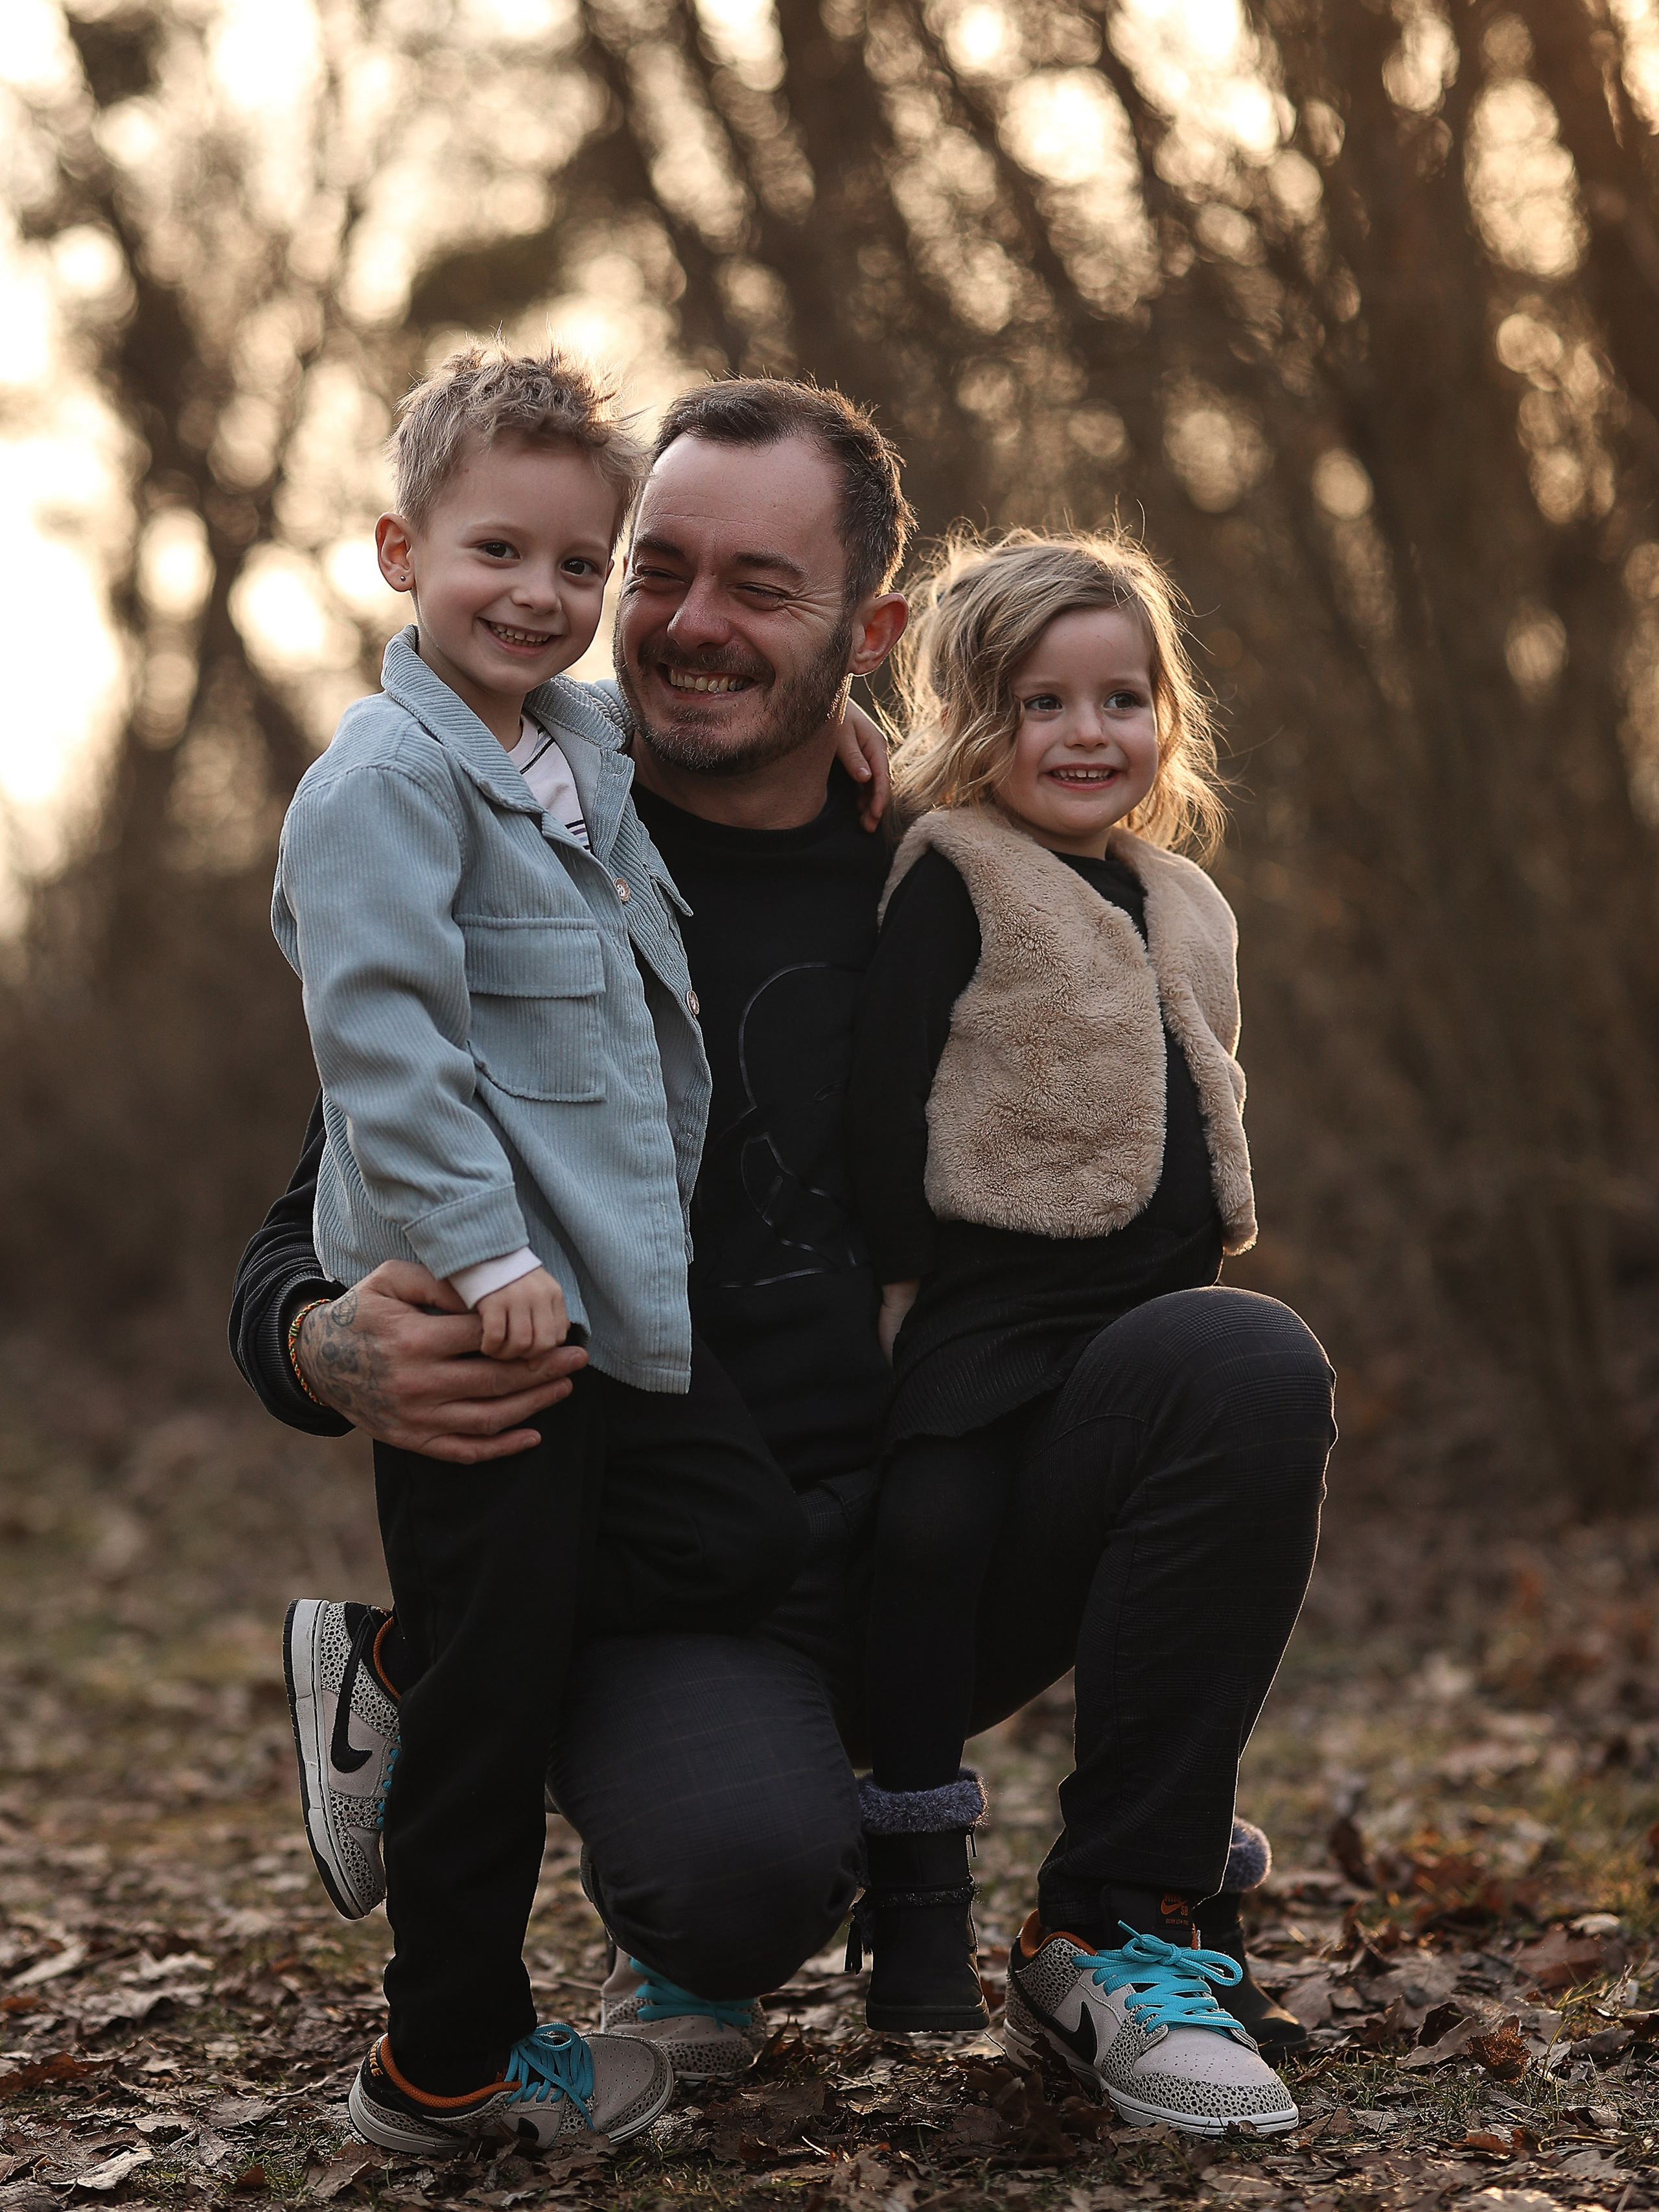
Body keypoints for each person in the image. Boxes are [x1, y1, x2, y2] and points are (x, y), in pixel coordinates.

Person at [231, 376, 1332, 2137]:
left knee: (1241, 1360)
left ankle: (1120, 1920)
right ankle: (437, 1689)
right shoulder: (531, 844)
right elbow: (328, 1195)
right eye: (656, 569)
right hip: (676, 1578)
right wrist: (315, 1339)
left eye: (761, 585)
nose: (686, 624)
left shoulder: (955, 868)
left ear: (872, 631)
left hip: (937, 1529)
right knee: (740, 1882)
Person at [271, 342, 815, 2156]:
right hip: (490, 1311)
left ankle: (402, 1666)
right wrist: (479, 1249)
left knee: (730, 1527)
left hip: (612, 1297)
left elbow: (744, 741)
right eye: (497, 552)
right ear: (396, 551)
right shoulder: (380, 786)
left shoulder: (576, 744)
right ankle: (443, 2065)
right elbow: (389, 1054)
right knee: (504, 1726)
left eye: (582, 566)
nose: (545, 596)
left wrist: (855, 727)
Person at [844, 529, 1306, 2134]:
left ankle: (1147, 1904)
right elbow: (882, 1099)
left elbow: (1198, 1079)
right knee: (933, 1526)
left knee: (1236, 1459)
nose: (1087, 733)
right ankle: (908, 1891)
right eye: (1042, 702)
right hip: (987, 1323)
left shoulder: (1183, 897)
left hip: (1148, 1330)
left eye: (1121, 697)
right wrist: (890, 1297)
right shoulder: (949, 877)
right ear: (974, 718)